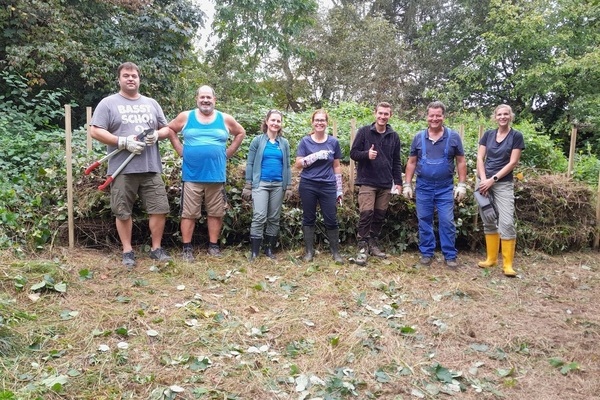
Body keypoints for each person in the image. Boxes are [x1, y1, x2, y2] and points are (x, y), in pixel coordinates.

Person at [90, 61, 172, 267]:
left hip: (151, 166)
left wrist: (156, 135)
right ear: (119, 79)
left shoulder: (151, 103)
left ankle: (156, 249)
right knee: (122, 210)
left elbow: (166, 129)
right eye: (126, 75)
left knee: (159, 208)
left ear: (139, 79)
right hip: (122, 169)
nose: (130, 78)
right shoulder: (108, 103)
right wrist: (122, 141)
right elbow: (95, 130)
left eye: (134, 75)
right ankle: (128, 251)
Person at [168, 85, 246, 260]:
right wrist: (180, 150)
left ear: (214, 100)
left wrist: (227, 153)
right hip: (191, 175)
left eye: (208, 97)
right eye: (202, 97)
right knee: (189, 213)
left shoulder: (224, 118)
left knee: (216, 213)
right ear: (197, 99)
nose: (205, 100)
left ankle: (213, 246)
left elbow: (240, 132)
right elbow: (170, 129)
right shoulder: (186, 117)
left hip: (216, 176)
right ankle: (187, 249)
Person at [403, 101, 467, 269]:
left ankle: (450, 255)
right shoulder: (419, 137)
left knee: (447, 221)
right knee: (424, 221)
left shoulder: (453, 137)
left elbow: (460, 161)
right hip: (423, 187)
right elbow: (411, 162)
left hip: (445, 187)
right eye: (431, 115)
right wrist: (407, 184)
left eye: (438, 115)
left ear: (443, 116)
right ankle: (426, 253)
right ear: (427, 117)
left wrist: (461, 184)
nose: (435, 118)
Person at [349, 102, 402, 265]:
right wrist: (367, 154)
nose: (383, 116)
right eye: (380, 113)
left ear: (390, 115)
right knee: (366, 214)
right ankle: (362, 247)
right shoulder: (364, 132)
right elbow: (353, 153)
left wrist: (398, 182)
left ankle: (373, 244)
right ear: (375, 113)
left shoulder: (394, 136)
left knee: (379, 215)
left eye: (386, 114)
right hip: (367, 181)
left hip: (385, 183)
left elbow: (397, 161)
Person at [476, 104, 525, 276]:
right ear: (495, 117)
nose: (502, 117)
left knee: (506, 222)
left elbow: (513, 163)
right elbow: (480, 158)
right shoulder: (488, 135)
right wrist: (483, 180)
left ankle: (508, 265)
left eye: (506, 114)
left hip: (502, 184)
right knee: (488, 219)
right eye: (499, 114)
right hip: (483, 183)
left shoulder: (516, 136)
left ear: (510, 116)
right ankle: (491, 259)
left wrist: (493, 180)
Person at [295, 109, 344, 263]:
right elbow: (298, 164)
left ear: (326, 123)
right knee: (308, 218)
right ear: (312, 122)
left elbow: (336, 166)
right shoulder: (305, 141)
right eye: (317, 120)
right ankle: (309, 252)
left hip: (328, 185)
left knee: (331, 218)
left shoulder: (333, 142)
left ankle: (335, 252)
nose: (319, 123)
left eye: (322, 120)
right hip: (308, 184)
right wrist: (314, 156)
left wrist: (339, 189)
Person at [243, 110, 292, 261]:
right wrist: (248, 184)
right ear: (266, 121)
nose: (275, 123)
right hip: (261, 183)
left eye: (278, 121)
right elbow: (250, 163)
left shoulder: (283, 143)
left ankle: (269, 249)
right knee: (259, 216)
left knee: (273, 218)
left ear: (281, 124)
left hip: (278, 184)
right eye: (273, 120)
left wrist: (288, 186)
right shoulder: (257, 141)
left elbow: (288, 166)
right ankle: (254, 251)